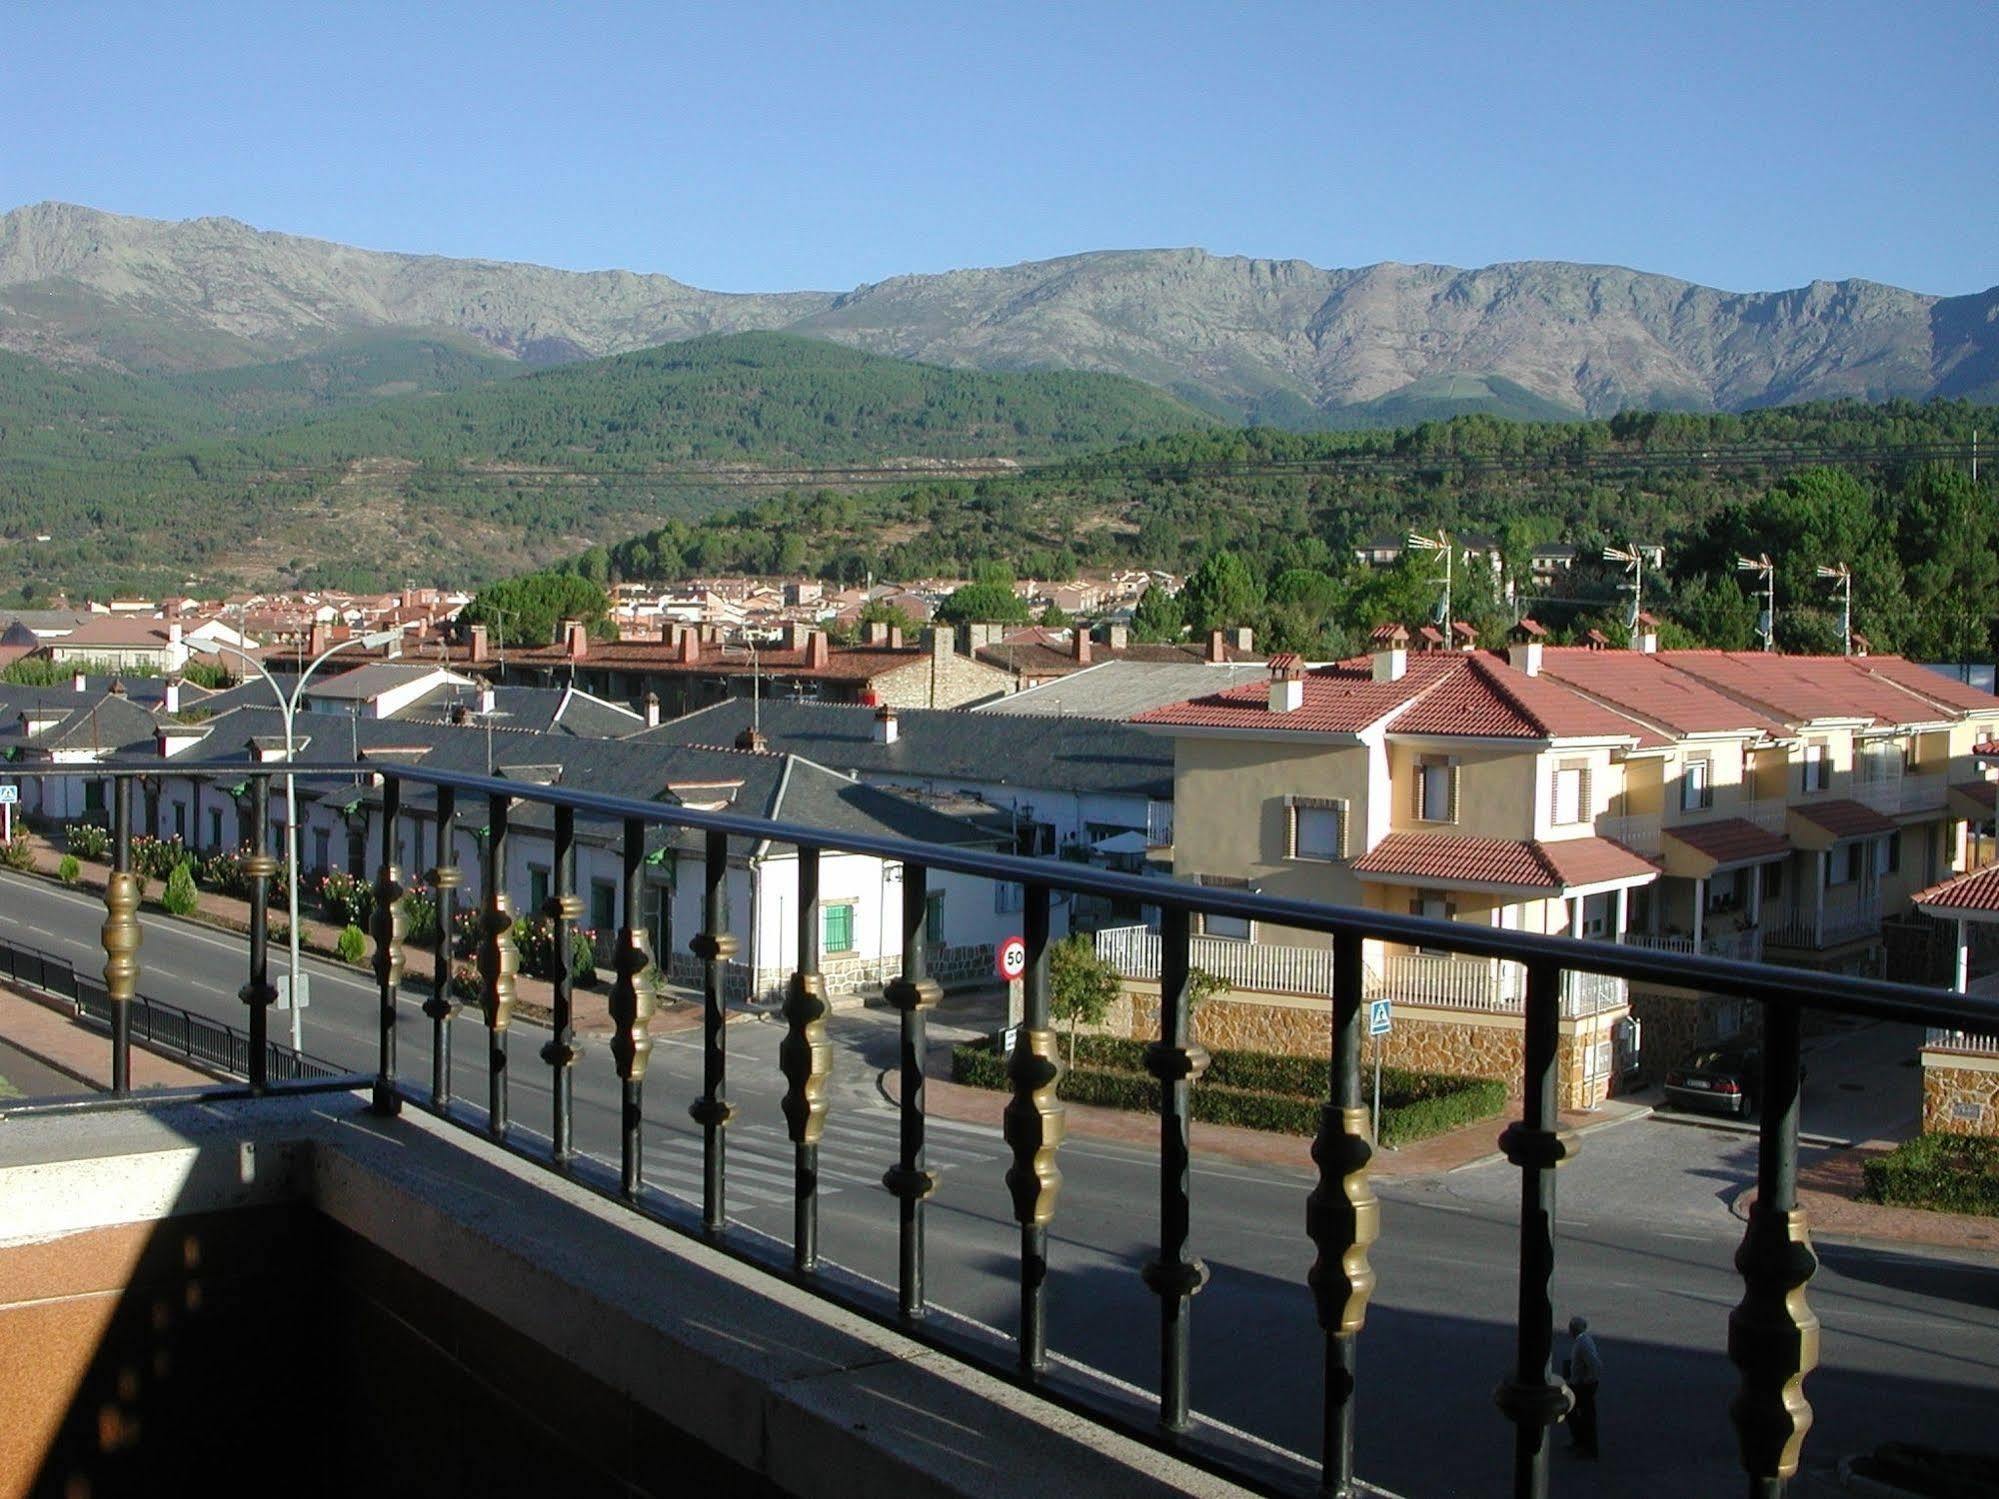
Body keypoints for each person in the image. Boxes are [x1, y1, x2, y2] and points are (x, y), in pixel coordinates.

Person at [1564, 1315, 1602, 1458]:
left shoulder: (1582, 1343)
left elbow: (1595, 1364)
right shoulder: (1583, 1340)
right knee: (1574, 1412)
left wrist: (1587, 1380)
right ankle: (1580, 1442)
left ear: (1573, 1329)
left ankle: (1587, 1447)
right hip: (1580, 1383)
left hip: (1583, 1386)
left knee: (1582, 1415)